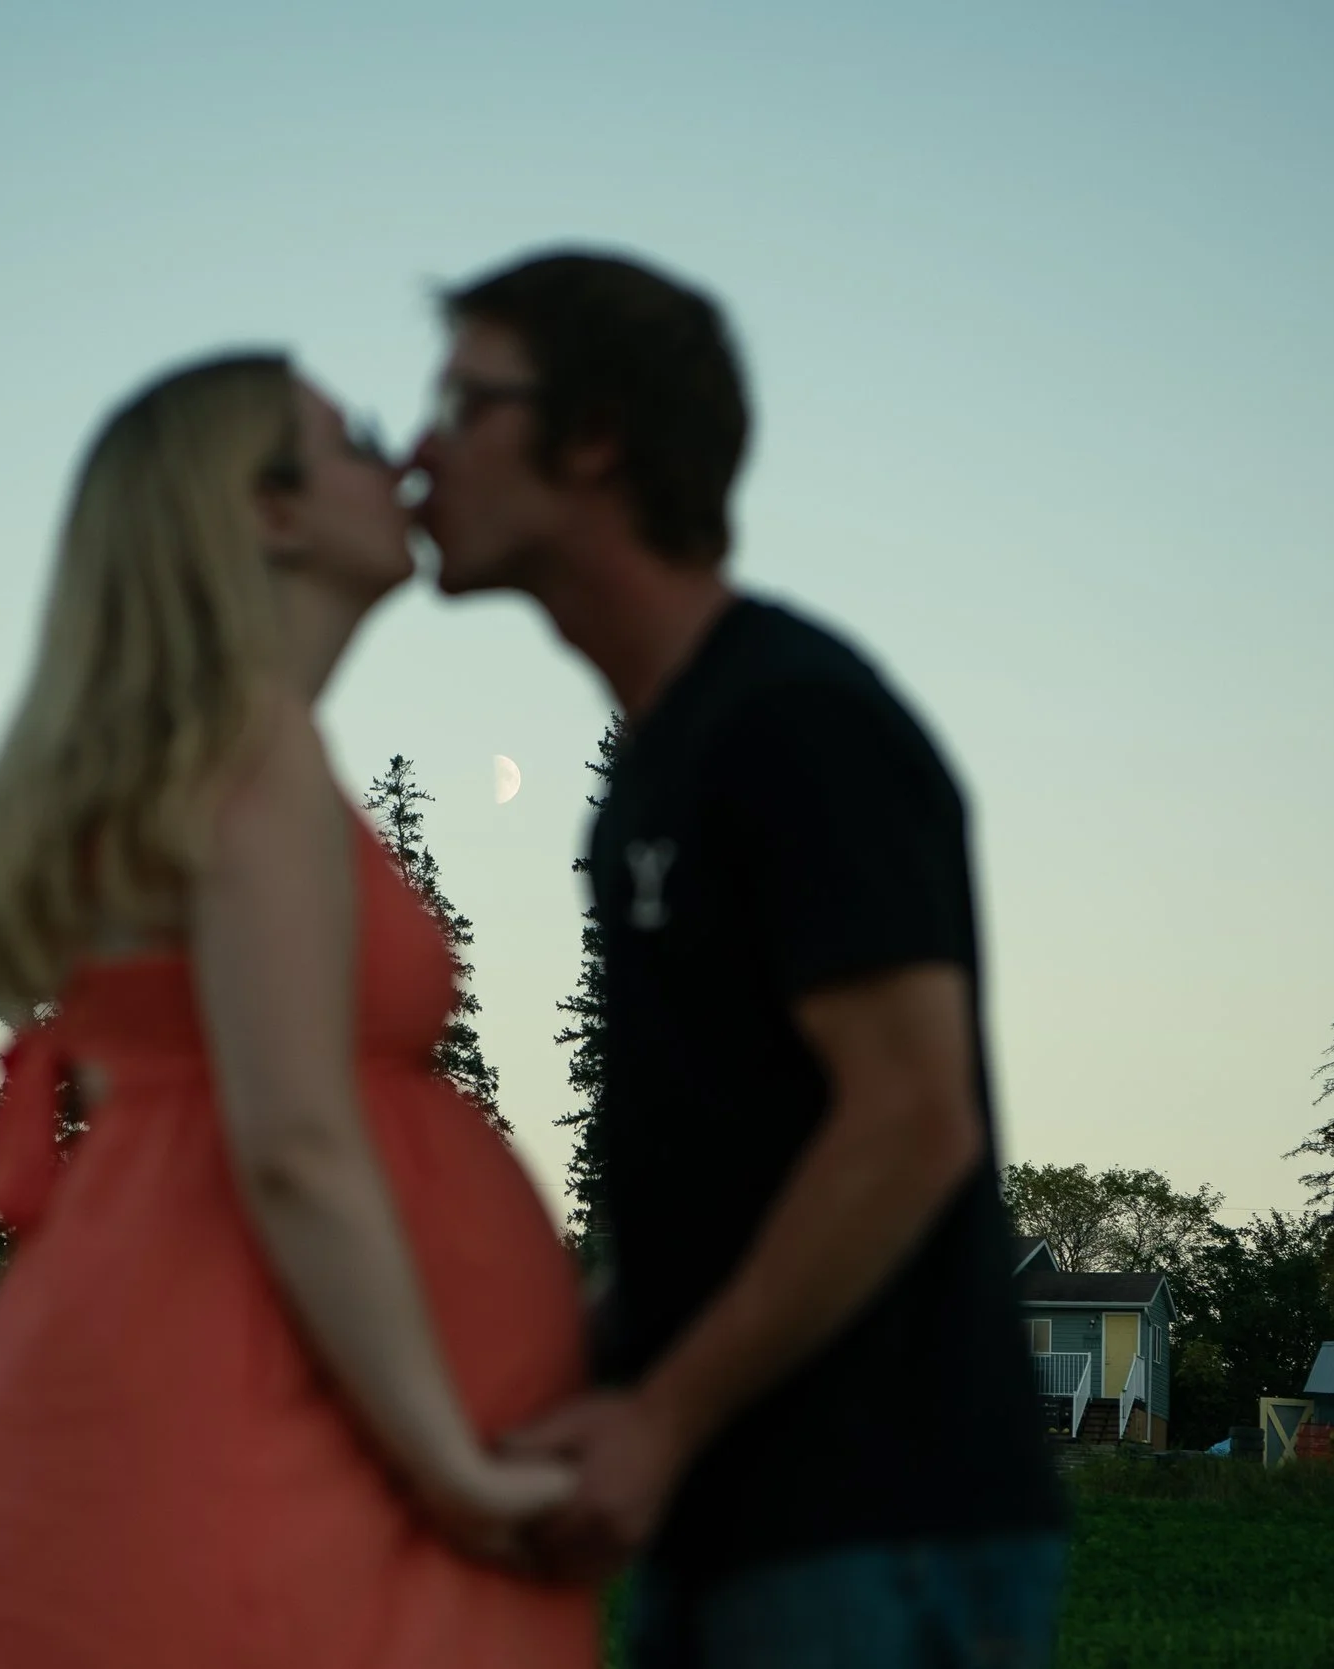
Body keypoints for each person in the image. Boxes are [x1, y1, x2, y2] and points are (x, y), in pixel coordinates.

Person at [0, 352, 595, 1668]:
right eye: (356, 438)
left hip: (200, 1383)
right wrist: (452, 1463)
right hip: (248, 1425)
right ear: (269, 512)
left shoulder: (196, 759)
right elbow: (294, 1145)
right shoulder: (253, 756)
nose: (402, 464)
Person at [410, 253, 1069, 1668]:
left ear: (594, 438)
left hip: (874, 1533)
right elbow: (715, 1183)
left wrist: (662, 1419)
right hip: (734, 1532)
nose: (420, 449)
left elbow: (912, 1116)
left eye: (464, 403)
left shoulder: (799, 725)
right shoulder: (653, 771)